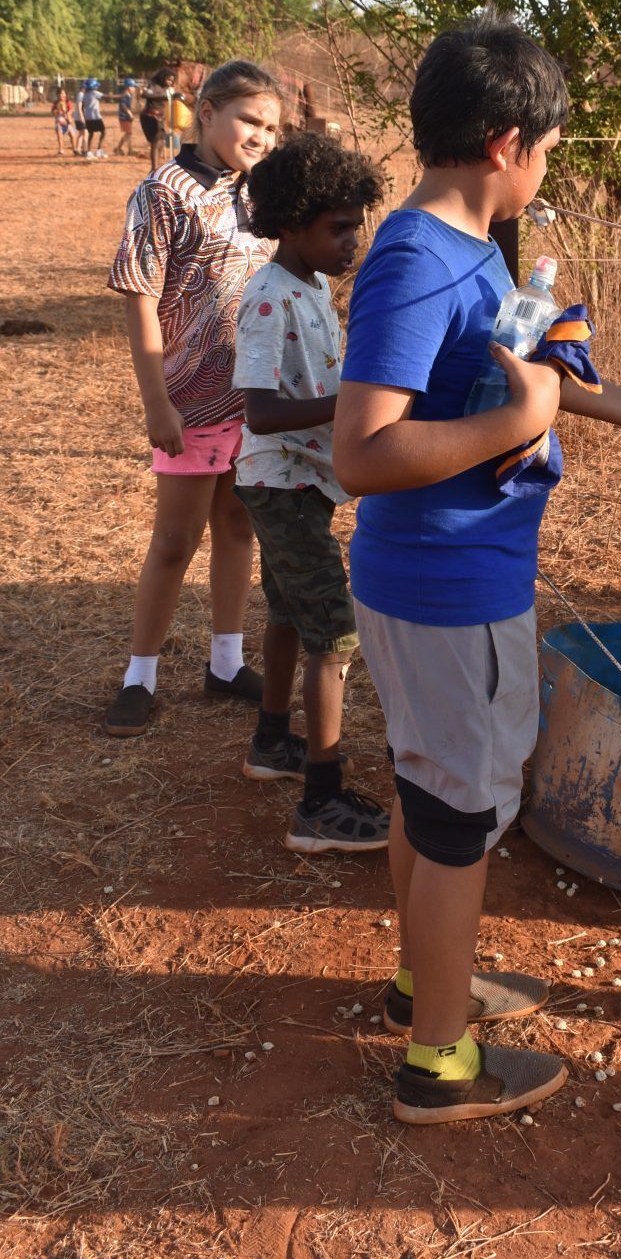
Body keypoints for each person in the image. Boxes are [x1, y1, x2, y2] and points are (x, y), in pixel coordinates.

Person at [333, 10, 621, 1126]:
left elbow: (511, 368)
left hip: (437, 583)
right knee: (460, 821)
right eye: (545, 148)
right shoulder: (414, 263)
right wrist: (516, 423)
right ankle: (439, 1062)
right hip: (449, 590)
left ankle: (418, 987)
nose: (547, 167)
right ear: (503, 142)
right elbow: (361, 452)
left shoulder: (470, 250)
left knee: (431, 793)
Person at [104, 60, 284, 738]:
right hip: (187, 403)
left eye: (270, 126)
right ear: (206, 111)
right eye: (248, 120)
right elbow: (141, 301)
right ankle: (139, 677)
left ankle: (226, 662)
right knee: (175, 540)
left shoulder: (261, 194)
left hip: (251, 401)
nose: (260, 135)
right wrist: (157, 403)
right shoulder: (163, 193)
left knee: (238, 526)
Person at [233, 133, 390, 854]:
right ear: (291, 224)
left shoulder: (314, 286)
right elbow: (260, 411)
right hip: (282, 482)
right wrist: (346, 402)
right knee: (335, 629)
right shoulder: (268, 301)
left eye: (356, 226)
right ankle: (321, 802)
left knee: (291, 613)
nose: (351, 240)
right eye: (338, 228)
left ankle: (272, 742)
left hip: (298, 481)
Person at [140, 69, 175, 172]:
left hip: (159, 118)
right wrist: (162, 96)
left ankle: (157, 166)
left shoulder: (166, 89)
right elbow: (145, 94)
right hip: (150, 117)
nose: (170, 82)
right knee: (155, 142)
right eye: (168, 80)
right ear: (162, 78)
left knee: (161, 142)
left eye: (172, 81)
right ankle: (154, 168)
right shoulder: (154, 86)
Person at [81, 78, 107, 159]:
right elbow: (107, 96)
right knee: (103, 132)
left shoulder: (85, 95)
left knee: (91, 134)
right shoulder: (95, 93)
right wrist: (121, 95)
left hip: (88, 118)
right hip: (96, 117)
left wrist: (84, 116)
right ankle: (98, 150)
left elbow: (82, 107)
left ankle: (89, 152)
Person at [116, 78, 137, 155]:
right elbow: (124, 106)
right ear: (129, 87)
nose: (134, 89)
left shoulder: (128, 96)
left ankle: (130, 150)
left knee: (129, 134)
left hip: (126, 117)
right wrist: (130, 114)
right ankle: (118, 148)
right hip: (124, 117)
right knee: (128, 133)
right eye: (133, 87)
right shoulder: (125, 96)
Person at [52, 87, 73, 156]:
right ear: (57, 95)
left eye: (63, 93)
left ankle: (75, 148)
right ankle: (61, 149)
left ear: (66, 94)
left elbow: (70, 110)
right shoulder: (56, 103)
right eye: (59, 94)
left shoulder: (68, 102)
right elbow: (53, 112)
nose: (61, 95)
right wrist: (58, 111)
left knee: (73, 135)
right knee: (60, 135)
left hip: (67, 122)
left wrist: (67, 114)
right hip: (59, 122)